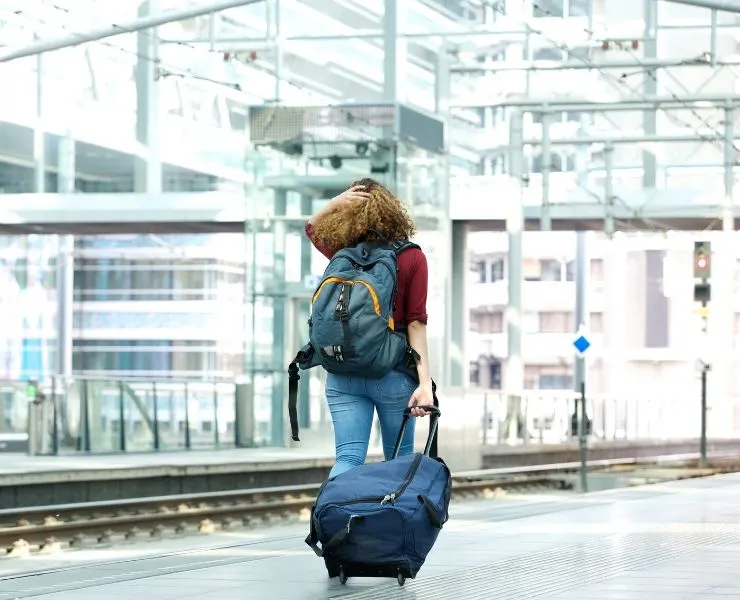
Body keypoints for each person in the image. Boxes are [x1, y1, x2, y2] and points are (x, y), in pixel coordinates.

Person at [305, 178, 434, 477]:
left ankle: (335, 521)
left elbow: (312, 227)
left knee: (348, 458)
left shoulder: (343, 252)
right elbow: (415, 322)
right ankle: (393, 523)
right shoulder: (412, 257)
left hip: (343, 371)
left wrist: (336, 202)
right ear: (392, 211)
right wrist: (424, 383)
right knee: (397, 461)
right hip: (392, 374)